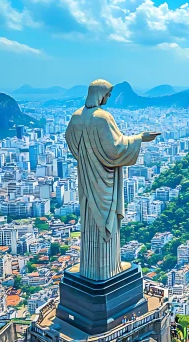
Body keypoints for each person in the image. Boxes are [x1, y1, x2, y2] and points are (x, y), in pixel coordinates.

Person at [65, 79, 160, 280]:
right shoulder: (102, 117)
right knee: (107, 222)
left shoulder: (75, 117)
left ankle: (90, 269)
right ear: (99, 94)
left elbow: (72, 145)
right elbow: (116, 148)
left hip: (87, 177)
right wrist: (140, 138)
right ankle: (108, 270)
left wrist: (89, 158)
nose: (108, 98)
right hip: (104, 181)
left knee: (89, 223)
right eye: (107, 94)